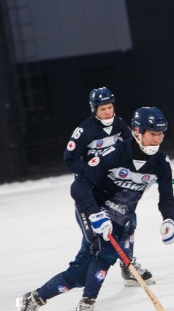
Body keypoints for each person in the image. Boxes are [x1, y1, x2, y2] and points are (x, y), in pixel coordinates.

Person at [17, 107, 174, 311]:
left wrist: (168, 220)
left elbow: (167, 196)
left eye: (161, 134)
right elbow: (79, 185)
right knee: (107, 251)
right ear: (137, 132)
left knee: (81, 274)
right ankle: (86, 307)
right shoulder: (115, 154)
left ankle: (34, 299)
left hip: (121, 215)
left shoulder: (161, 162)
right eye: (153, 133)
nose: (158, 139)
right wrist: (95, 213)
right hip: (93, 207)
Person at [64, 87, 154, 287]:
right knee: (93, 240)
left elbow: (133, 148)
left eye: (110, 107)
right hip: (92, 190)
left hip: (112, 186)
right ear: (94, 109)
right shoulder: (84, 131)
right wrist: (91, 172)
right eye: (103, 109)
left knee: (129, 221)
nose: (107, 112)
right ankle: (79, 277)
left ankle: (128, 266)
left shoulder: (120, 124)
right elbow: (69, 159)